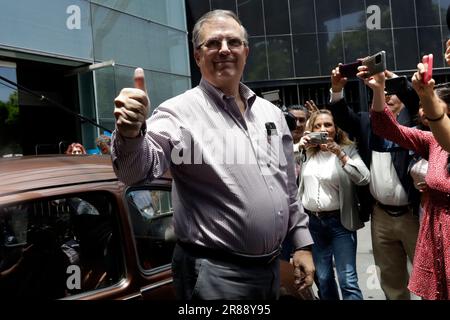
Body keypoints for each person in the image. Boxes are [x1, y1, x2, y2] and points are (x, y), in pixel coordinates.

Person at [111, 9, 314, 300]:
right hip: (214, 275)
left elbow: (287, 188)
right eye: (212, 43)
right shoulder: (176, 113)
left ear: (245, 51)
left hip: (272, 268)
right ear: (197, 56)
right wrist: (130, 134)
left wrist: (303, 243)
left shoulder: (271, 114)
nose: (224, 50)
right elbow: (134, 172)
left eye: (233, 42)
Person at [358, 60, 450, 300]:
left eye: (428, 103)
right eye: (420, 105)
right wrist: (378, 90)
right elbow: (387, 128)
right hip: (435, 231)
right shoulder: (431, 141)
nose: (421, 110)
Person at [327, 65, 420, 300]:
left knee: (428, 278)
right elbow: (343, 117)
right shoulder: (368, 122)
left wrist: (394, 79)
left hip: (414, 215)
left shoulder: (417, 122)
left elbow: (416, 98)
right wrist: (337, 90)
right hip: (381, 217)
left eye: (391, 92)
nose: (386, 95)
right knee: (391, 281)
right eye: (382, 92)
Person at [297, 109, 369, 300]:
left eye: (328, 124)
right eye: (317, 126)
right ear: (310, 130)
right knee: (324, 278)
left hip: (340, 223)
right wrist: (298, 146)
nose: (323, 129)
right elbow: (279, 165)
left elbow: (364, 178)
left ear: (336, 129)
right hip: (313, 224)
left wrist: (341, 154)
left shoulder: (348, 149)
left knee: (347, 279)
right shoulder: (306, 152)